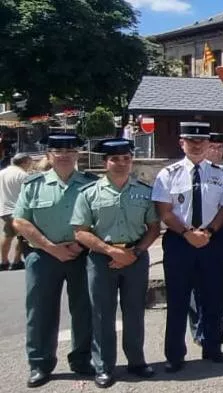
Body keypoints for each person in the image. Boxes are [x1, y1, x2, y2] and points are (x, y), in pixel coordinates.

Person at [71, 138, 160, 387]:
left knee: (135, 313)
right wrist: (112, 252)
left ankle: (137, 361)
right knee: (102, 315)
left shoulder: (144, 191)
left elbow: (153, 227)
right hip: (101, 260)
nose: (121, 163)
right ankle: (104, 367)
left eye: (126, 159)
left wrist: (136, 251)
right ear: (105, 162)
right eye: (115, 159)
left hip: (136, 257)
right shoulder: (89, 193)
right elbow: (80, 231)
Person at [13, 134, 97, 388]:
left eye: (70, 150)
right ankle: (40, 363)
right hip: (43, 255)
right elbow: (20, 221)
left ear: (78, 154)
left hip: (81, 254)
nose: (64, 155)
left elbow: (101, 217)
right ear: (48, 155)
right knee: (40, 311)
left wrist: (81, 243)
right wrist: (50, 247)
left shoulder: (90, 184)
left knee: (84, 309)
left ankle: (82, 359)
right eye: (58, 151)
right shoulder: (34, 184)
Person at [152, 122, 223, 372]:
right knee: (178, 300)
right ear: (182, 143)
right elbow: (164, 212)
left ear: (209, 144)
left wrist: (208, 232)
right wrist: (187, 233)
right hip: (179, 242)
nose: (197, 145)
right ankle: (175, 355)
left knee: (213, 298)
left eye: (201, 141)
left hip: (212, 240)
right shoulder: (168, 174)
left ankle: (212, 348)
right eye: (191, 141)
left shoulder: (221, 173)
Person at [185, 132, 223, 346]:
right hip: (191, 235)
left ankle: (216, 327)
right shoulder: (189, 172)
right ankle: (199, 329)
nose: (217, 152)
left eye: (220, 148)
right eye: (213, 147)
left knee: (220, 286)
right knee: (196, 288)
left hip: (219, 236)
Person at [0, 153, 32, 270]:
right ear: (24, 162)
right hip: (18, 210)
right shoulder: (22, 175)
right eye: (29, 162)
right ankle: (17, 261)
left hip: (4, 209)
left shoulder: (2, 173)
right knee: (21, 237)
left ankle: (3, 261)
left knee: (7, 235)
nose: (30, 164)